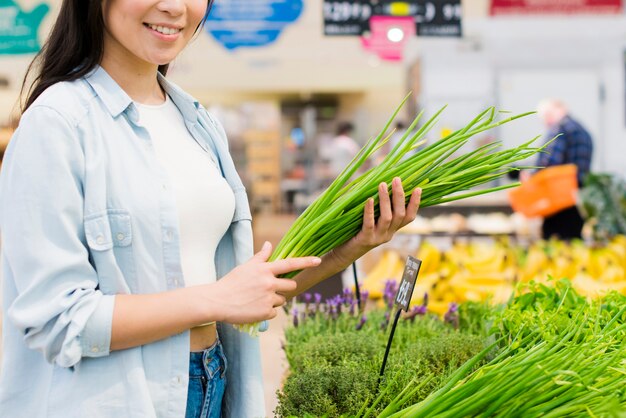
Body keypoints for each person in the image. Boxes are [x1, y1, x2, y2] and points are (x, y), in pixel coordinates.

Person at [0, 1, 423, 417]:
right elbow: (59, 321)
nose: (174, 7)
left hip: (212, 381)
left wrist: (347, 250)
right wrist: (217, 299)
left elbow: (239, 291)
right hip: (120, 399)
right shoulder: (58, 123)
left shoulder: (198, 123)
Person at [535, 99, 593, 240]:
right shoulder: (583, 131)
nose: (547, 123)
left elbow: (550, 163)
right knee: (573, 246)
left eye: (546, 117)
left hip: (558, 203)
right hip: (576, 201)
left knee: (554, 247)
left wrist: (529, 174)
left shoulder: (561, 128)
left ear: (553, 112)